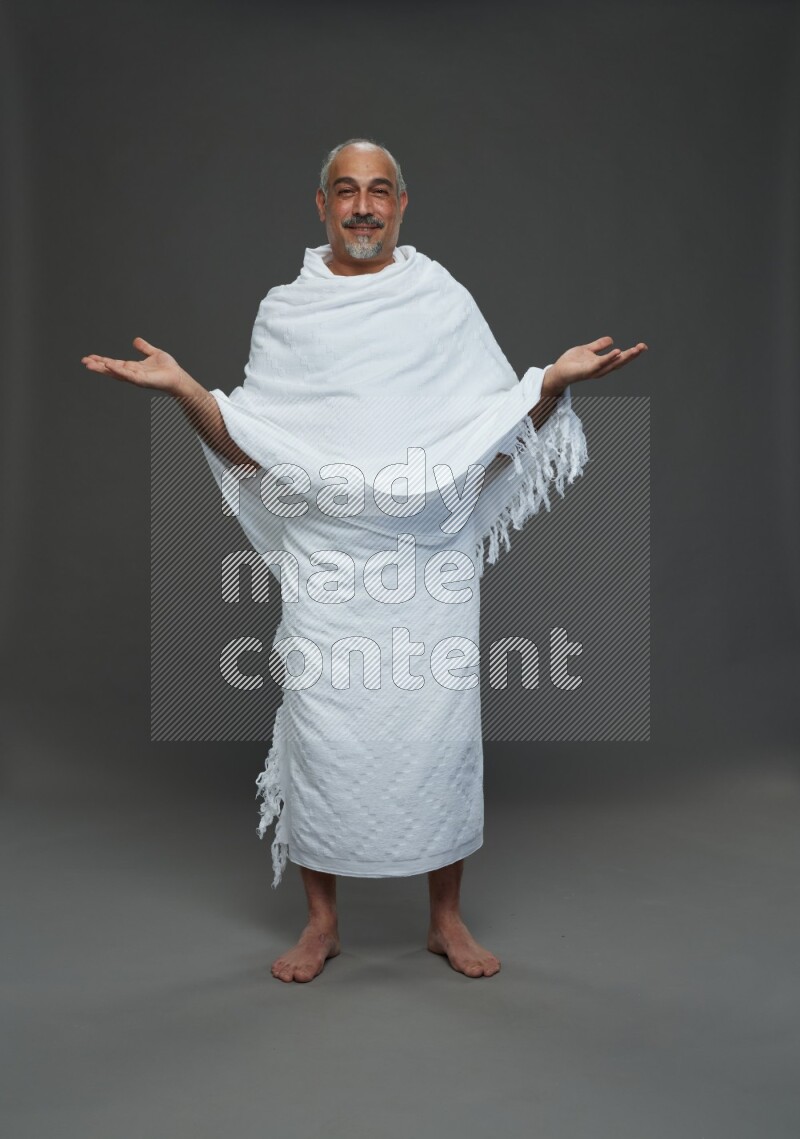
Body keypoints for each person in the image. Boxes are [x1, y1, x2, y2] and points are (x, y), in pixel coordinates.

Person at [82, 138, 647, 983]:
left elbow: (484, 447)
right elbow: (255, 456)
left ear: (403, 204)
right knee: (323, 735)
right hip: (326, 565)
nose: (362, 207)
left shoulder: (442, 301)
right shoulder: (286, 312)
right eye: (345, 191)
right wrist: (189, 393)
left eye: (379, 191)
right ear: (320, 206)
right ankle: (321, 924)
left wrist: (548, 388)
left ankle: (445, 920)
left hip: (431, 561)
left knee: (439, 736)